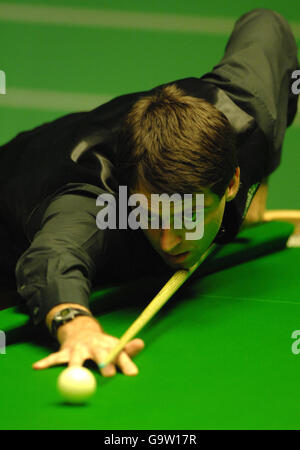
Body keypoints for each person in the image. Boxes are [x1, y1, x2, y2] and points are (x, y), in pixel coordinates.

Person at [0, 9, 298, 377]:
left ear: (232, 182)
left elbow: (267, 24)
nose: (171, 242)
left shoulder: (252, 116)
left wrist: (263, 177)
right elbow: (53, 256)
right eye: (151, 218)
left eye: (188, 218)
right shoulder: (93, 199)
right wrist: (75, 324)